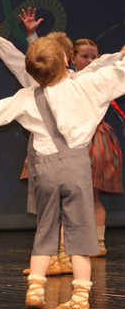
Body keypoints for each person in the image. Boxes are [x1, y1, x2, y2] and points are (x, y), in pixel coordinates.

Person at [0, 37, 125, 309]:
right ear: (66, 61)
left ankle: (36, 287)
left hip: (46, 170)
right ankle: (80, 297)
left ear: (32, 73)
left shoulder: (26, 97)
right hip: (76, 167)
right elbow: (117, 74)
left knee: (46, 227)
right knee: (80, 231)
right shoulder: (86, 85)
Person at [68, 38, 123, 257]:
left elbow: (110, 66)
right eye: (85, 56)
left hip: (94, 140)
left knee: (92, 196)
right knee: (71, 196)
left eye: (94, 57)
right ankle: (70, 244)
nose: (90, 61)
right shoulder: (67, 79)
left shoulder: (99, 79)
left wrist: (120, 56)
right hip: (73, 139)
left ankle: (98, 244)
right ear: (72, 59)